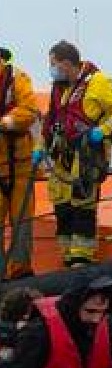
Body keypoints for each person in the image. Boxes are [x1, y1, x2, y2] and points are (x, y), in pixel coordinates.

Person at [35, 42, 112, 267]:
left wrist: (103, 131)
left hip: (86, 153)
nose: (51, 69)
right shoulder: (59, 88)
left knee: (82, 206)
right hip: (61, 156)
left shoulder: (98, 82)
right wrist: (40, 148)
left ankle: (81, 257)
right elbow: (50, 122)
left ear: (67, 64)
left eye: (53, 64)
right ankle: (68, 257)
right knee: (62, 206)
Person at [0, 49, 40, 279]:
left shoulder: (17, 78)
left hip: (20, 166)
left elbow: (29, 112)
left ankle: (20, 272)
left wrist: (6, 122)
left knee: (22, 222)